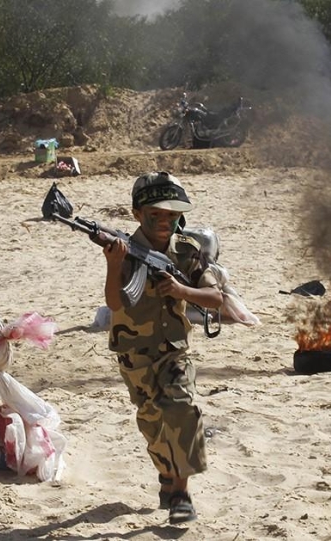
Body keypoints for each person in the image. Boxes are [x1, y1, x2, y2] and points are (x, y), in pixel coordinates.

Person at [102, 171, 223, 525]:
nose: (164, 221)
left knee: (181, 408)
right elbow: (114, 303)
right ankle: (167, 476)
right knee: (152, 422)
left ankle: (182, 493)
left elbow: (217, 298)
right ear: (138, 214)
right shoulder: (124, 250)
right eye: (155, 214)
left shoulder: (188, 251)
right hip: (134, 352)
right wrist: (113, 264)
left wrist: (182, 290)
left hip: (174, 350)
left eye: (171, 215)